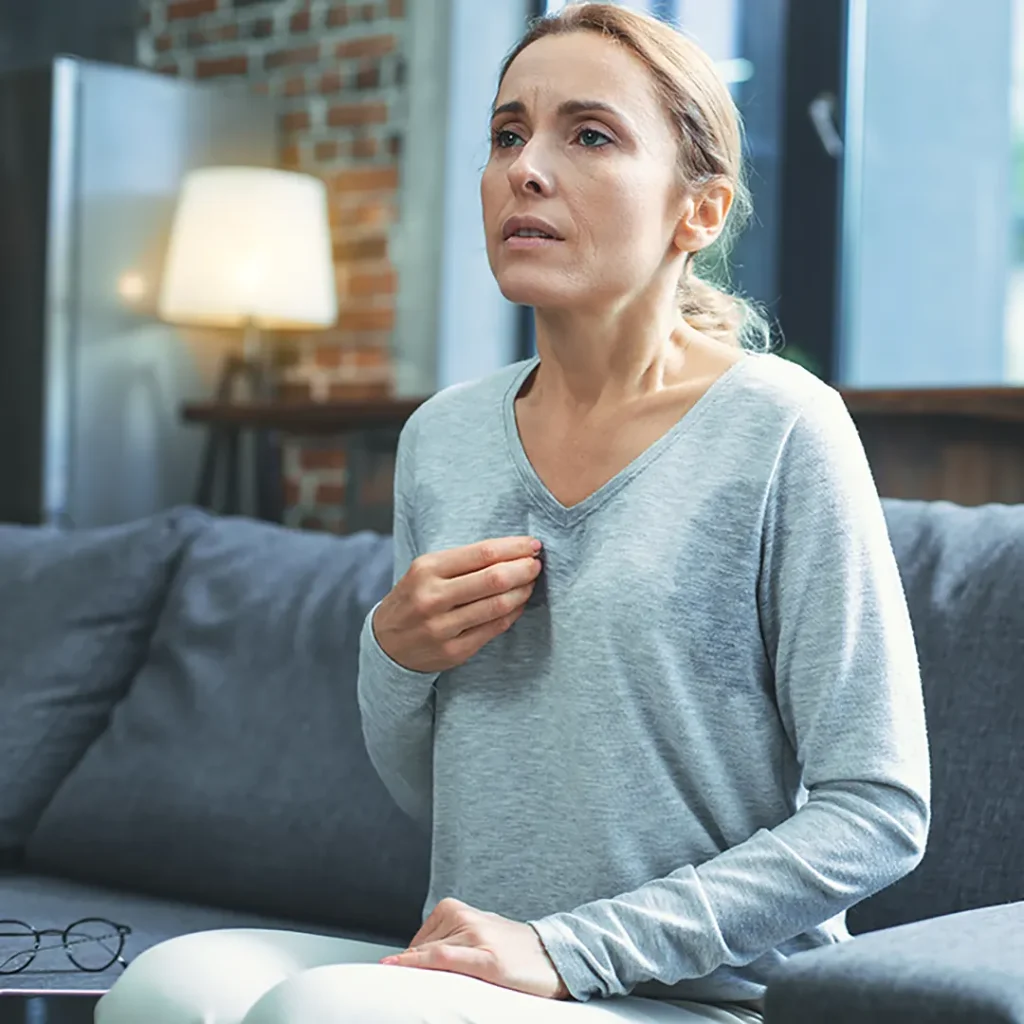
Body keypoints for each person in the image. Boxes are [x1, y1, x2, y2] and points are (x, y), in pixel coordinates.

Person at [96, 4, 930, 1023]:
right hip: (476, 970)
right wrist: (393, 655)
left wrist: (566, 946)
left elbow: (877, 812)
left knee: (320, 1013)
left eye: (587, 134)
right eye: (505, 134)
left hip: (697, 992)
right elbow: (440, 797)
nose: (523, 169)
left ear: (697, 211)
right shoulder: (442, 438)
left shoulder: (781, 428)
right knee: (162, 991)